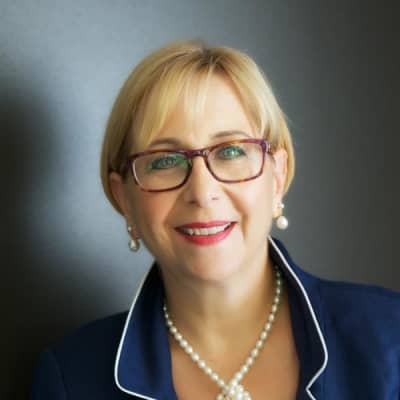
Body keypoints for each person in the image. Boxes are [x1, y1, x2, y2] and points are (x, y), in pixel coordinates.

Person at [32, 40, 400, 400]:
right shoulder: (72, 380)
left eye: (231, 152)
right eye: (165, 160)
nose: (202, 191)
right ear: (124, 197)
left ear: (277, 176)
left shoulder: (391, 336)